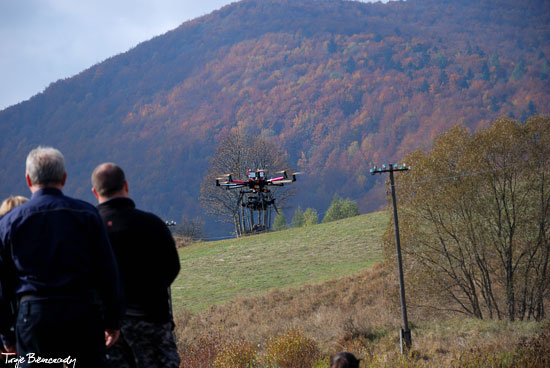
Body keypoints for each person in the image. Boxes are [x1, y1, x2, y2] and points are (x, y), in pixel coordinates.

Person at [0, 146, 123, 368]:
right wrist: (112, 320)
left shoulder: (9, 223)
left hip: (34, 316)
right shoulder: (87, 215)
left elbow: (2, 283)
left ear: (28, 180)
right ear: (64, 178)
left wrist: (6, 335)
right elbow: (107, 271)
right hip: (82, 314)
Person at [91, 162, 181, 368]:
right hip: (152, 320)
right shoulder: (153, 224)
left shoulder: (89, 229)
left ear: (95, 192)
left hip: (106, 329)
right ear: (126, 185)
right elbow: (172, 267)